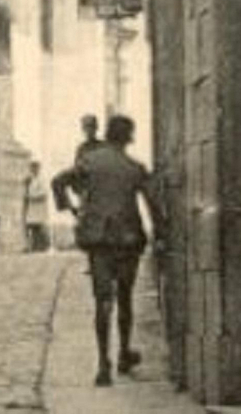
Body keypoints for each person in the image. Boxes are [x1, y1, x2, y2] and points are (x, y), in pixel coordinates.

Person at [51, 113, 163, 388]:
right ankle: (124, 354)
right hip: (127, 240)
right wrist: (162, 232)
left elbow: (57, 181)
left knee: (103, 301)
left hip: (99, 241)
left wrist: (71, 208)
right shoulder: (134, 167)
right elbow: (152, 204)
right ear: (128, 138)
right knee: (125, 297)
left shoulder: (90, 161)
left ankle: (103, 365)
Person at [22, 159, 50, 252]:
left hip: (39, 208)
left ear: (38, 168)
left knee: (39, 226)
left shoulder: (42, 179)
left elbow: (44, 193)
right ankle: (32, 245)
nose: (33, 170)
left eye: (35, 167)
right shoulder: (31, 180)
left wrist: (31, 197)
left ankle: (42, 246)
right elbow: (27, 192)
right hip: (32, 208)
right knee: (31, 226)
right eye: (32, 168)